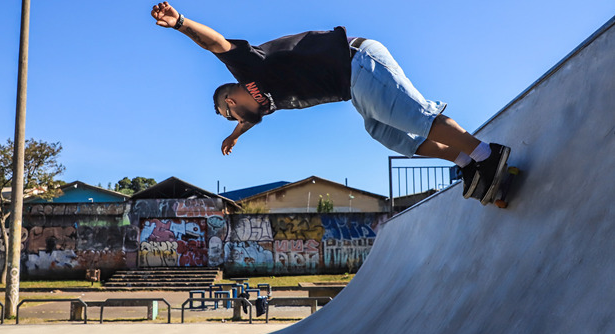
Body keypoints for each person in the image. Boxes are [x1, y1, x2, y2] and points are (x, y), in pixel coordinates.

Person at [150, 2, 510, 204]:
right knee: (388, 133)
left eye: (226, 115)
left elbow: (217, 44)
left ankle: (485, 153)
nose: (233, 119)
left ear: (230, 99)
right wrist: (235, 137)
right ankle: (465, 161)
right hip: (354, 87)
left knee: (411, 116)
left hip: (357, 61)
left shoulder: (248, 67)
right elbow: (250, 120)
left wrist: (180, 23)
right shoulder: (264, 106)